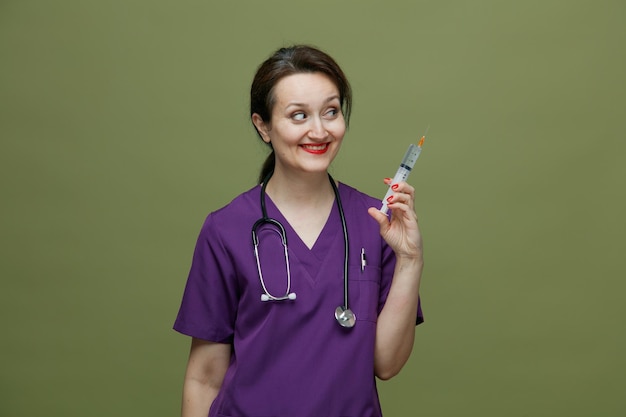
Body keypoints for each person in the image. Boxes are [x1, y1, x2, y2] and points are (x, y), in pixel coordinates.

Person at [173, 44, 424, 417]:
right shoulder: (226, 229)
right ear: (263, 126)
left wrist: (409, 259)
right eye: (298, 115)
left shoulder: (377, 223)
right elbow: (204, 378)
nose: (319, 130)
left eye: (331, 111)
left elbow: (386, 364)